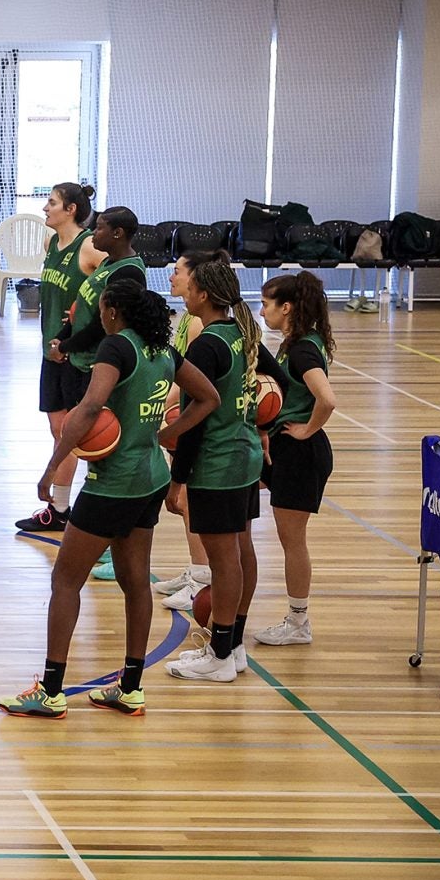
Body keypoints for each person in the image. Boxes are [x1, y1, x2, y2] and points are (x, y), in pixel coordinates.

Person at [0, 282, 215, 720]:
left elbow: (91, 407)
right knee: (135, 582)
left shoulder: (116, 347)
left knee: (65, 580)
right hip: (151, 477)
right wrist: (165, 435)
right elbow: (208, 397)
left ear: (114, 312)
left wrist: (53, 463)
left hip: (112, 484)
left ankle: (52, 690)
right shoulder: (162, 351)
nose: (98, 315)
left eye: (100, 309)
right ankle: (131, 688)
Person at [165, 251, 284, 686]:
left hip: (216, 462)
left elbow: (195, 422)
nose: (188, 292)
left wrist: (177, 479)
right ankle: (232, 646)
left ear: (204, 294)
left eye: (192, 286)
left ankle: (217, 652)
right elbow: (279, 383)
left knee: (224, 561)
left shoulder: (207, 343)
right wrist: (260, 421)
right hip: (245, 454)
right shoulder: (242, 332)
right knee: (241, 550)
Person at [47, 205, 150, 582]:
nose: (95, 233)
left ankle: (111, 541)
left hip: (99, 363)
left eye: (102, 227)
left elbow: (110, 325)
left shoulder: (129, 272)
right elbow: (92, 309)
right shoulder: (109, 263)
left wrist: (70, 343)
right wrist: (73, 319)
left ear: (119, 233)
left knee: (102, 445)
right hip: (84, 359)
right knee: (95, 449)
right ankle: (109, 540)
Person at [255, 271, 338, 647]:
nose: (262, 310)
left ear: (286, 307)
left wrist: (306, 429)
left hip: (301, 451)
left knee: (293, 541)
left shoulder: (303, 348)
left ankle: (298, 622)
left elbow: (327, 398)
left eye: (266, 304)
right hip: (285, 447)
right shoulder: (299, 341)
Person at [17, 181, 100, 533]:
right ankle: (61, 508)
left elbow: (114, 286)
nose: (45, 208)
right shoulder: (51, 243)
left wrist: (86, 309)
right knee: (57, 429)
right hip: (50, 349)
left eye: (51, 203)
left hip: (78, 353)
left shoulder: (91, 246)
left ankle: (69, 506)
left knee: (73, 432)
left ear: (71, 210)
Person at [155, 254, 213, 613]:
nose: (171, 275)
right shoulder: (188, 318)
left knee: (190, 499)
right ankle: (196, 570)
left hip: (191, 417)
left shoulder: (196, 326)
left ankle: (201, 580)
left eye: (178, 271)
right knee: (188, 501)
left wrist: (164, 406)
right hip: (182, 410)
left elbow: (193, 382)